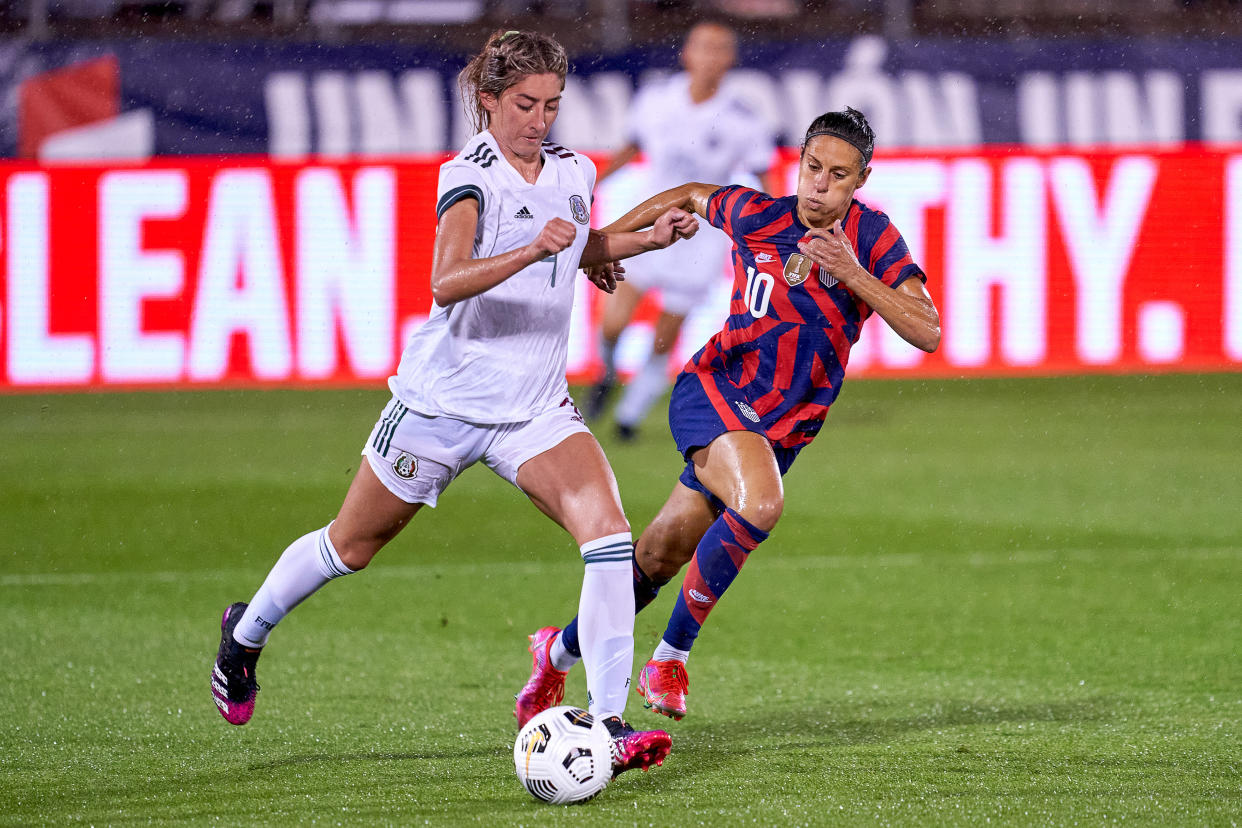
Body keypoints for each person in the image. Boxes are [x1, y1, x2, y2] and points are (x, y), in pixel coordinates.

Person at [210, 29, 700, 776]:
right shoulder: (468, 175)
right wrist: (536, 249)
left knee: (606, 536)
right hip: (443, 404)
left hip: (534, 409)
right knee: (351, 546)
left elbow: (576, 246)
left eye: (552, 105)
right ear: (489, 101)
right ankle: (246, 633)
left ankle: (608, 724)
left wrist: (639, 242)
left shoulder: (575, 169)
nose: (540, 119)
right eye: (525, 104)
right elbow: (446, 281)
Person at [516, 107, 940, 725]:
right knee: (761, 505)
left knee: (659, 556)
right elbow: (691, 193)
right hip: (716, 390)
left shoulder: (872, 238)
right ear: (797, 163)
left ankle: (554, 655)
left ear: (861, 181)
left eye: (837, 175)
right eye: (812, 167)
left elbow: (926, 329)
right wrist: (600, 241)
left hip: (781, 429)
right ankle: (669, 657)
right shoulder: (760, 215)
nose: (818, 184)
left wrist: (852, 274)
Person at [585, 20, 778, 441]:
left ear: (729, 59)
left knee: (665, 334)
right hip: (649, 219)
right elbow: (631, 147)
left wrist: (782, 224)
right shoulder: (656, 100)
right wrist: (591, 184)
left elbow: (766, 175)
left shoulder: (743, 119)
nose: (709, 57)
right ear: (686, 53)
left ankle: (628, 418)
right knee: (613, 321)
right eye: (701, 47)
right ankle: (606, 371)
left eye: (718, 49)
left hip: (700, 237)